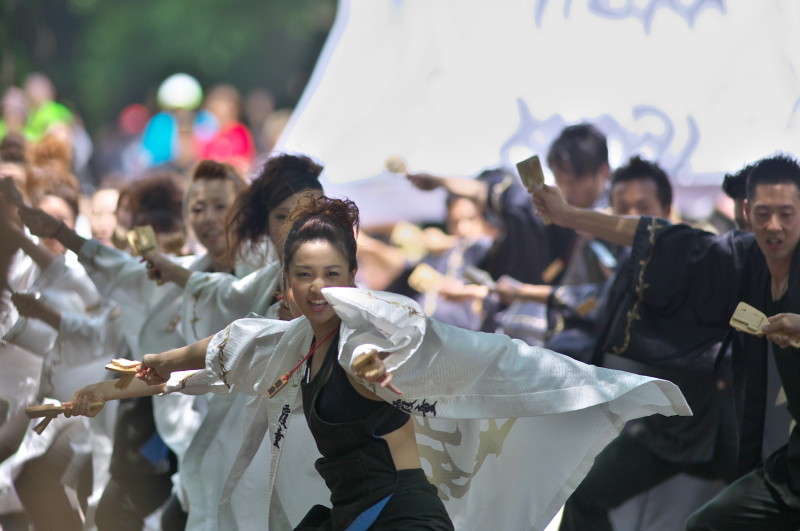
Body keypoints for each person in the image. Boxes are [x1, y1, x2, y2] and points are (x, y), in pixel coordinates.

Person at [65, 194, 691, 530]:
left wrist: (369, 371)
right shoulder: (290, 344)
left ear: (351, 280)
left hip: (401, 517)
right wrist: (128, 376)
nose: (316, 287)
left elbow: (384, 346)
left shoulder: (367, 339)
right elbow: (220, 350)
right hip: (350, 515)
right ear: (284, 283)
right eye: (304, 275)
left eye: (331, 275)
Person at [533, 153, 800, 530]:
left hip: (736, 424)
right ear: (746, 211)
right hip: (676, 423)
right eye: (761, 213)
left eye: (786, 213)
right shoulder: (730, 255)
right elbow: (647, 236)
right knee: (589, 494)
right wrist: (568, 216)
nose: (773, 226)